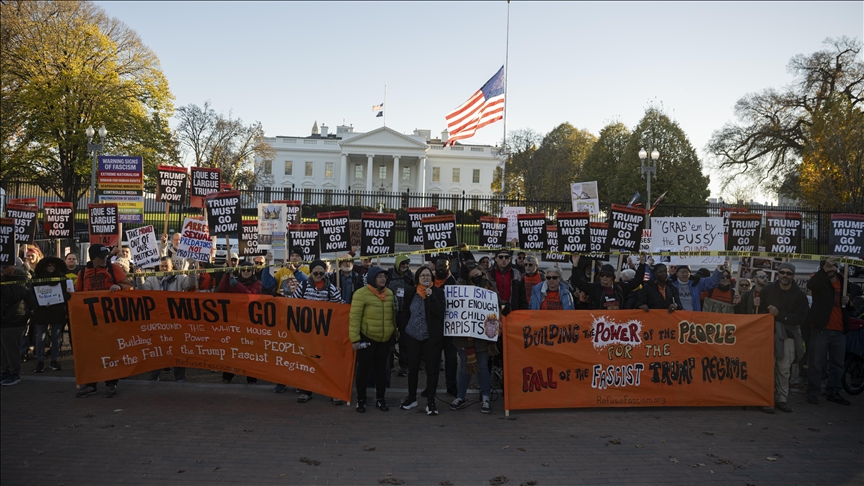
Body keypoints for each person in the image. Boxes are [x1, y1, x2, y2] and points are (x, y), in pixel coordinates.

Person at [75, 244, 133, 398]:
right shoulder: (82, 272)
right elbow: (77, 294)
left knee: (110, 351)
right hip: (91, 320)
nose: (104, 259)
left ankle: (111, 383)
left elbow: (130, 287)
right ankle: (91, 384)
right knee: (91, 352)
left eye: (105, 256)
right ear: (93, 258)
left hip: (110, 319)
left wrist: (119, 287)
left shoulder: (113, 269)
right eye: (100, 257)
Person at [287, 259, 344, 403]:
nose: (318, 275)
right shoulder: (304, 285)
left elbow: (341, 306)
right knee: (309, 360)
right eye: (315, 273)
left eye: (321, 273)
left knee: (328, 361)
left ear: (325, 273)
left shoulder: (330, 288)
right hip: (308, 332)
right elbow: (293, 302)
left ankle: (332, 391)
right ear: (311, 273)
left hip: (325, 332)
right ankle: (307, 390)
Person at [759, 262, 809, 414]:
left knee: (784, 370)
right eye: (782, 272)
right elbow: (760, 312)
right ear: (778, 273)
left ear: (793, 276)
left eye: (788, 273)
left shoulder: (800, 295)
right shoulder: (767, 290)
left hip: (788, 337)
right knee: (766, 369)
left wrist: (779, 314)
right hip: (768, 335)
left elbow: (800, 319)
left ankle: (782, 399)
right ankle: (765, 399)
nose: (785, 275)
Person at [805, 258, 854, 406]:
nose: (831, 268)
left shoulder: (843, 281)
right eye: (827, 266)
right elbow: (811, 285)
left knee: (837, 364)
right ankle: (813, 392)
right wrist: (823, 270)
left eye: (833, 266)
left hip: (839, 330)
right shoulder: (819, 281)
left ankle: (833, 391)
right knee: (816, 363)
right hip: (821, 329)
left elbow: (851, 307)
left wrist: (848, 302)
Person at [451, 261, 499, 414]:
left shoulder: (489, 284)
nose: (476, 278)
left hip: (483, 334)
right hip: (465, 335)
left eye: (478, 275)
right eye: (473, 276)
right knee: (465, 366)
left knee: (483, 367)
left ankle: (485, 396)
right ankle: (460, 396)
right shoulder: (460, 286)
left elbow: (495, 302)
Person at [397, 266, 446, 415]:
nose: (425, 278)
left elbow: (440, 312)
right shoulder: (411, 293)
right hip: (413, 336)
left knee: (431, 369)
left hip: (431, 337)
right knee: (413, 368)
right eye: (422, 275)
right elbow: (405, 311)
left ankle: (430, 401)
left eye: (428, 275)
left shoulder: (437, 292)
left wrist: (431, 296)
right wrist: (404, 330)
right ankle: (411, 397)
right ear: (417, 278)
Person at [137, 256, 194, 382]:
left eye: (166, 266)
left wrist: (191, 268)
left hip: (175, 321)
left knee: (178, 350)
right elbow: (142, 290)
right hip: (159, 322)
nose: (164, 268)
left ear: (172, 266)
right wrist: (139, 276)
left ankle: (180, 378)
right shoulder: (152, 279)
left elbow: (191, 283)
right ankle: (154, 376)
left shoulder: (179, 278)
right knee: (157, 350)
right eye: (162, 266)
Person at [349, 266, 396, 413]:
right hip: (367, 338)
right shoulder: (361, 294)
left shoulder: (389, 293)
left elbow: (393, 315)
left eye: (385, 276)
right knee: (363, 370)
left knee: (381, 370)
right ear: (372, 278)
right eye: (380, 276)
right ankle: (361, 400)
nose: (384, 279)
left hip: (385, 339)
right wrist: (355, 339)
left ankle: (380, 399)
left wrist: (394, 331)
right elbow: (354, 318)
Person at [218, 260, 262, 385]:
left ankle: (251, 379)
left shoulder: (257, 283)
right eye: (243, 270)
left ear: (253, 271)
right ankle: (227, 376)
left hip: (249, 322)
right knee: (232, 349)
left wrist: (237, 284)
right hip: (234, 321)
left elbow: (249, 296)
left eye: (249, 270)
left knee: (249, 351)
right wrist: (227, 276)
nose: (246, 272)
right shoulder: (234, 280)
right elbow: (222, 291)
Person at [29, 257, 70, 373]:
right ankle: (40, 361)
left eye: (53, 265)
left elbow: (66, 294)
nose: (51, 267)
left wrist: (66, 296)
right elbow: (32, 294)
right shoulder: (37, 278)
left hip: (57, 310)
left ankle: (54, 360)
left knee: (56, 337)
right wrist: (39, 305)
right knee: (40, 337)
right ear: (44, 266)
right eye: (49, 265)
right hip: (41, 310)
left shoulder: (62, 278)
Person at [569, 255, 646, 310]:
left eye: (607, 275)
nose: (604, 277)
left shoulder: (620, 287)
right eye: (602, 275)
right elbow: (577, 281)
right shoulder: (594, 288)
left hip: (618, 324)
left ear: (612, 277)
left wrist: (642, 264)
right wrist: (575, 265)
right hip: (600, 324)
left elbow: (637, 281)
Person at [432, 256, 459, 397]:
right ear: (435, 266)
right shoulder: (428, 281)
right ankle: (431, 386)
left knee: (451, 359)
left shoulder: (454, 281)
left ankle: (451, 385)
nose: (441, 268)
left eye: (445, 266)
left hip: (450, 325)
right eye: (439, 265)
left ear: (449, 266)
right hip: (434, 326)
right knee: (434, 359)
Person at [1, 267, 32, 386]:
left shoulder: (21, 281)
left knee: (11, 349)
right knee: (3, 350)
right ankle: (6, 371)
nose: (2, 269)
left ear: (13, 268)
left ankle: (14, 373)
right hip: (4, 320)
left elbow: (10, 296)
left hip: (13, 319)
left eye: (5, 267)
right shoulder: (5, 280)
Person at [388, 255, 415, 377]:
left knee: (404, 340)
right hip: (391, 311)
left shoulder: (410, 276)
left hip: (405, 312)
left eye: (406, 263)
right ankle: (389, 364)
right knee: (390, 338)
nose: (404, 266)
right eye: (402, 263)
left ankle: (404, 366)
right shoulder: (389, 274)